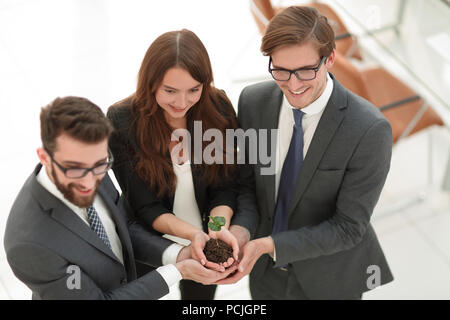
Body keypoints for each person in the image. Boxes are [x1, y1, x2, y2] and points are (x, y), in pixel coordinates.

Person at [218, 6, 394, 299]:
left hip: (328, 278)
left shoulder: (369, 129)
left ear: (330, 59)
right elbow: (248, 184)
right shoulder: (253, 102)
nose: (293, 84)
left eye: (306, 71)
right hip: (264, 273)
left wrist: (269, 245)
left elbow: (349, 227)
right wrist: (243, 230)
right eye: (281, 70)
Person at [3, 96, 236, 300]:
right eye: (74, 169)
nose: (88, 182)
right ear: (44, 156)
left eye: (99, 165)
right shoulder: (29, 243)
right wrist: (179, 271)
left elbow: (122, 229)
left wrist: (180, 254)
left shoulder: (94, 168)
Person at [107, 29, 244, 300]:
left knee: (199, 302)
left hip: (208, 237)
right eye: (170, 91)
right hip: (150, 238)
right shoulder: (122, 120)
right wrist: (193, 235)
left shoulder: (218, 107)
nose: (182, 103)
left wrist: (216, 229)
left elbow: (225, 185)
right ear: (150, 83)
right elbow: (144, 205)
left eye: (193, 90)